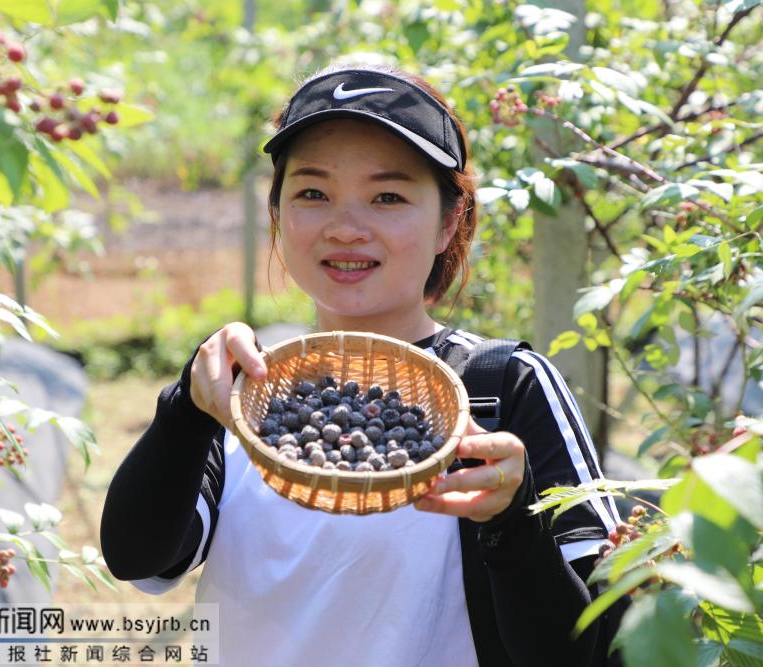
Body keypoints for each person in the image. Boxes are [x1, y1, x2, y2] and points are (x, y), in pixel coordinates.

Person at [100, 61, 622, 667]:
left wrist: (512, 525)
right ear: (277, 214)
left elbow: (588, 651)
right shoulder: (251, 388)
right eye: (313, 194)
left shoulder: (500, 390)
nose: (346, 228)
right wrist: (184, 414)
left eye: (388, 196)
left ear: (448, 222)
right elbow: (138, 556)